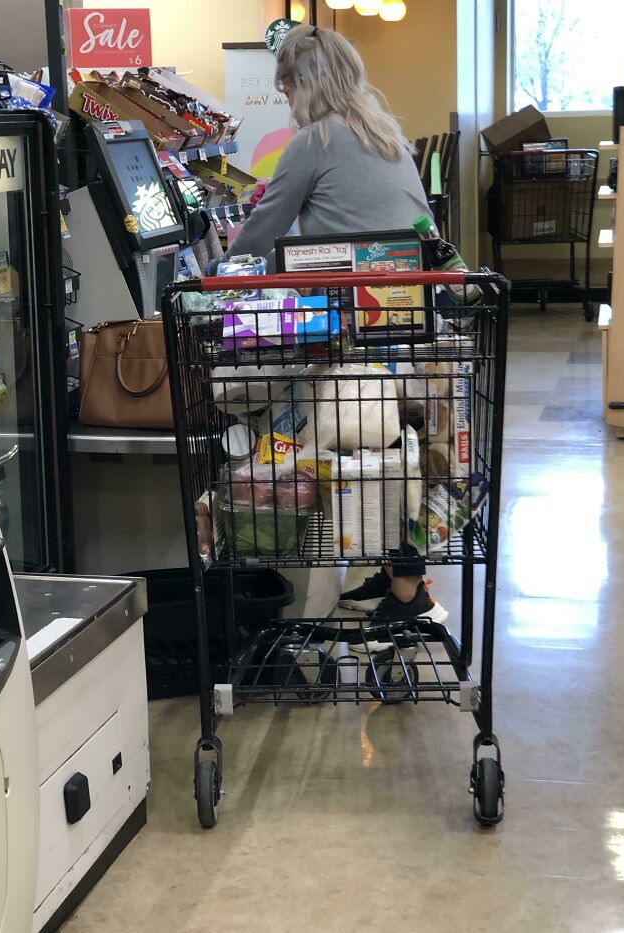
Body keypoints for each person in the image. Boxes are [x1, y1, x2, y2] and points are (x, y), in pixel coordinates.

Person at [217, 24, 446, 625]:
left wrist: (213, 273)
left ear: (304, 85)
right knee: (396, 453)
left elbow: (262, 235)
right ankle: (402, 581)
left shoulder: (314, 140)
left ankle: (300, 594)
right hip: (403, 325)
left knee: (242, 400)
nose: (286, 101)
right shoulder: (386, 132)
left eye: (287, 87)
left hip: (348, 332)